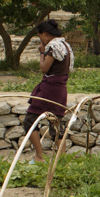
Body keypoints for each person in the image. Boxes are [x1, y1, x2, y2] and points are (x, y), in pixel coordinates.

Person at [24, 19, 73, 164]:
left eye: (41, 37)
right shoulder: (65, 45)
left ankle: (40, 157)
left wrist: (41, 53)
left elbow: (44, 68)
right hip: (60, 90)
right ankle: (61, 160)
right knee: (56, 123)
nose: (41, 41)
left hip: (49, 90)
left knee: (29, 121)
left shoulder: (52, 47)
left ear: (45, 34)